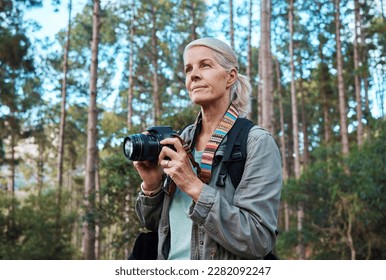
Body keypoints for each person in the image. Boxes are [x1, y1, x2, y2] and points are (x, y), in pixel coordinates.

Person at [133, 37, 282, 260]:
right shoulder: (181, 141)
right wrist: (151, 186)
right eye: (188, 69)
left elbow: (258, 239)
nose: (193, 75)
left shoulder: (256, 142)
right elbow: (157, 224)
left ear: (230, 76)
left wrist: (194, 186)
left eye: (205, 65)